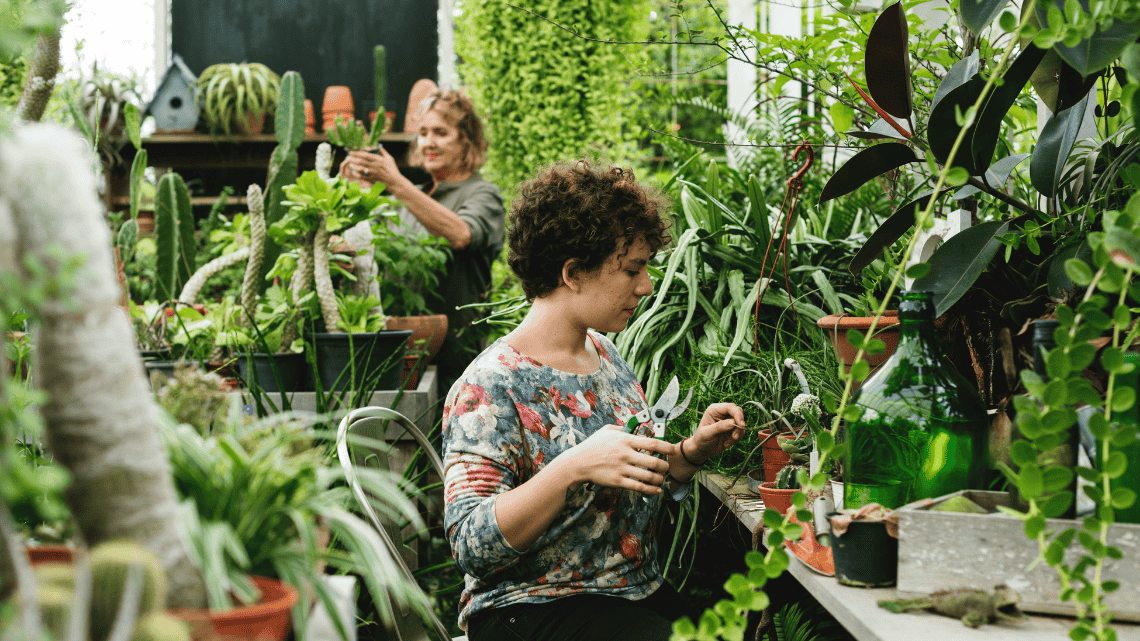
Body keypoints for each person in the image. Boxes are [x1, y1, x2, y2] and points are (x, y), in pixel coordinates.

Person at [441, 161, 747, 641]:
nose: (645, 286)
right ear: (573, 272)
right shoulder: (490, 386)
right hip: (530, 609)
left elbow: (628, 482)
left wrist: (689, 454)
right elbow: (471, 545)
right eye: (633, 269)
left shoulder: (605, 355)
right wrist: (571, 467)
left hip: (628, 593)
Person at [340, 90, 505, 386]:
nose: (428, 142)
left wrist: (394, 182)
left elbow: (461, 234)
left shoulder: (482, 193)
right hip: (395, 358)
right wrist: (351, 193)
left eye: (441, 133)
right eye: (424, 133)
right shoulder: (407, 196)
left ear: (467, 139)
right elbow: (359, 249)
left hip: (458, 367)